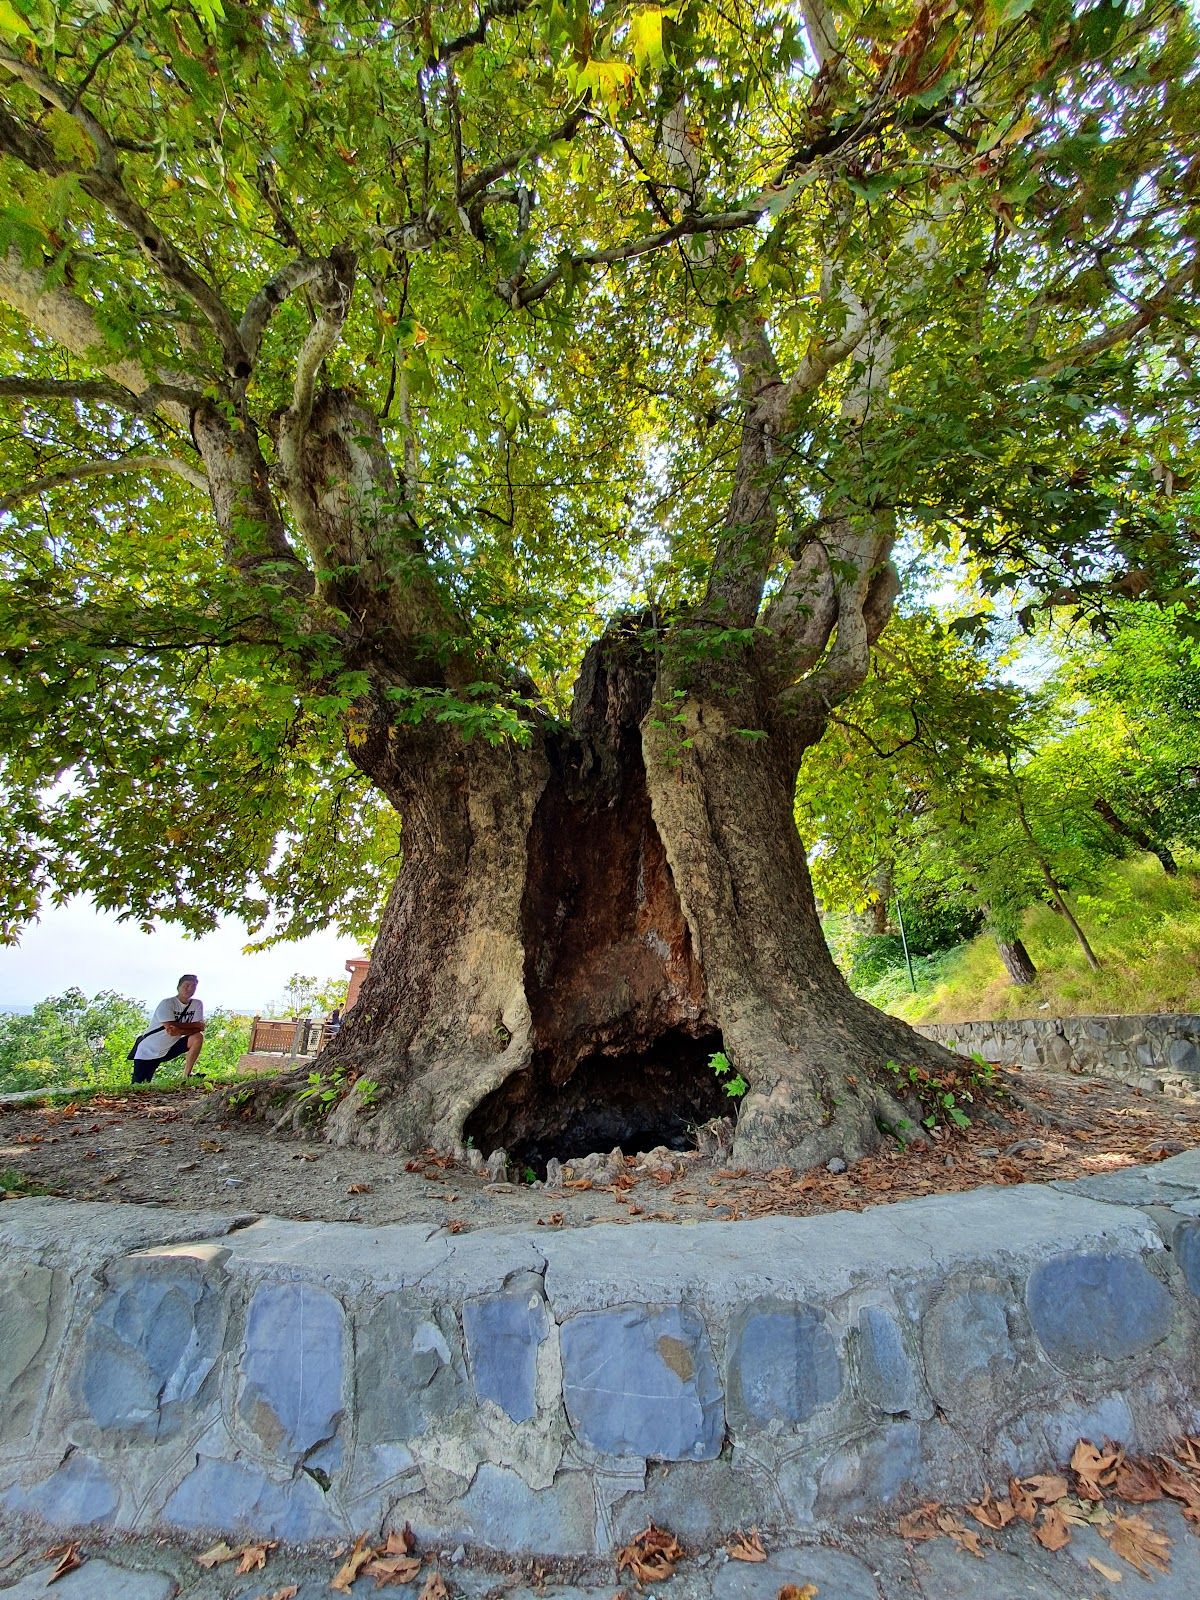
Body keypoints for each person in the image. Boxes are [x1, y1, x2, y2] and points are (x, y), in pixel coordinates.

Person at [130, 974, 206, 1085]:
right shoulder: (167, 1003)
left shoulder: (196, 1004)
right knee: (139, 1085)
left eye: (193, 986)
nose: (190, 989)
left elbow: (200, 1027)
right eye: (187, 985)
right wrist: (193, 1026)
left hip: (170, 1047)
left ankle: (187, 1075)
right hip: (149, 1050)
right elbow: (170, 1028)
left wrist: (180, 1030)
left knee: (198, 1037)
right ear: (179, 987)